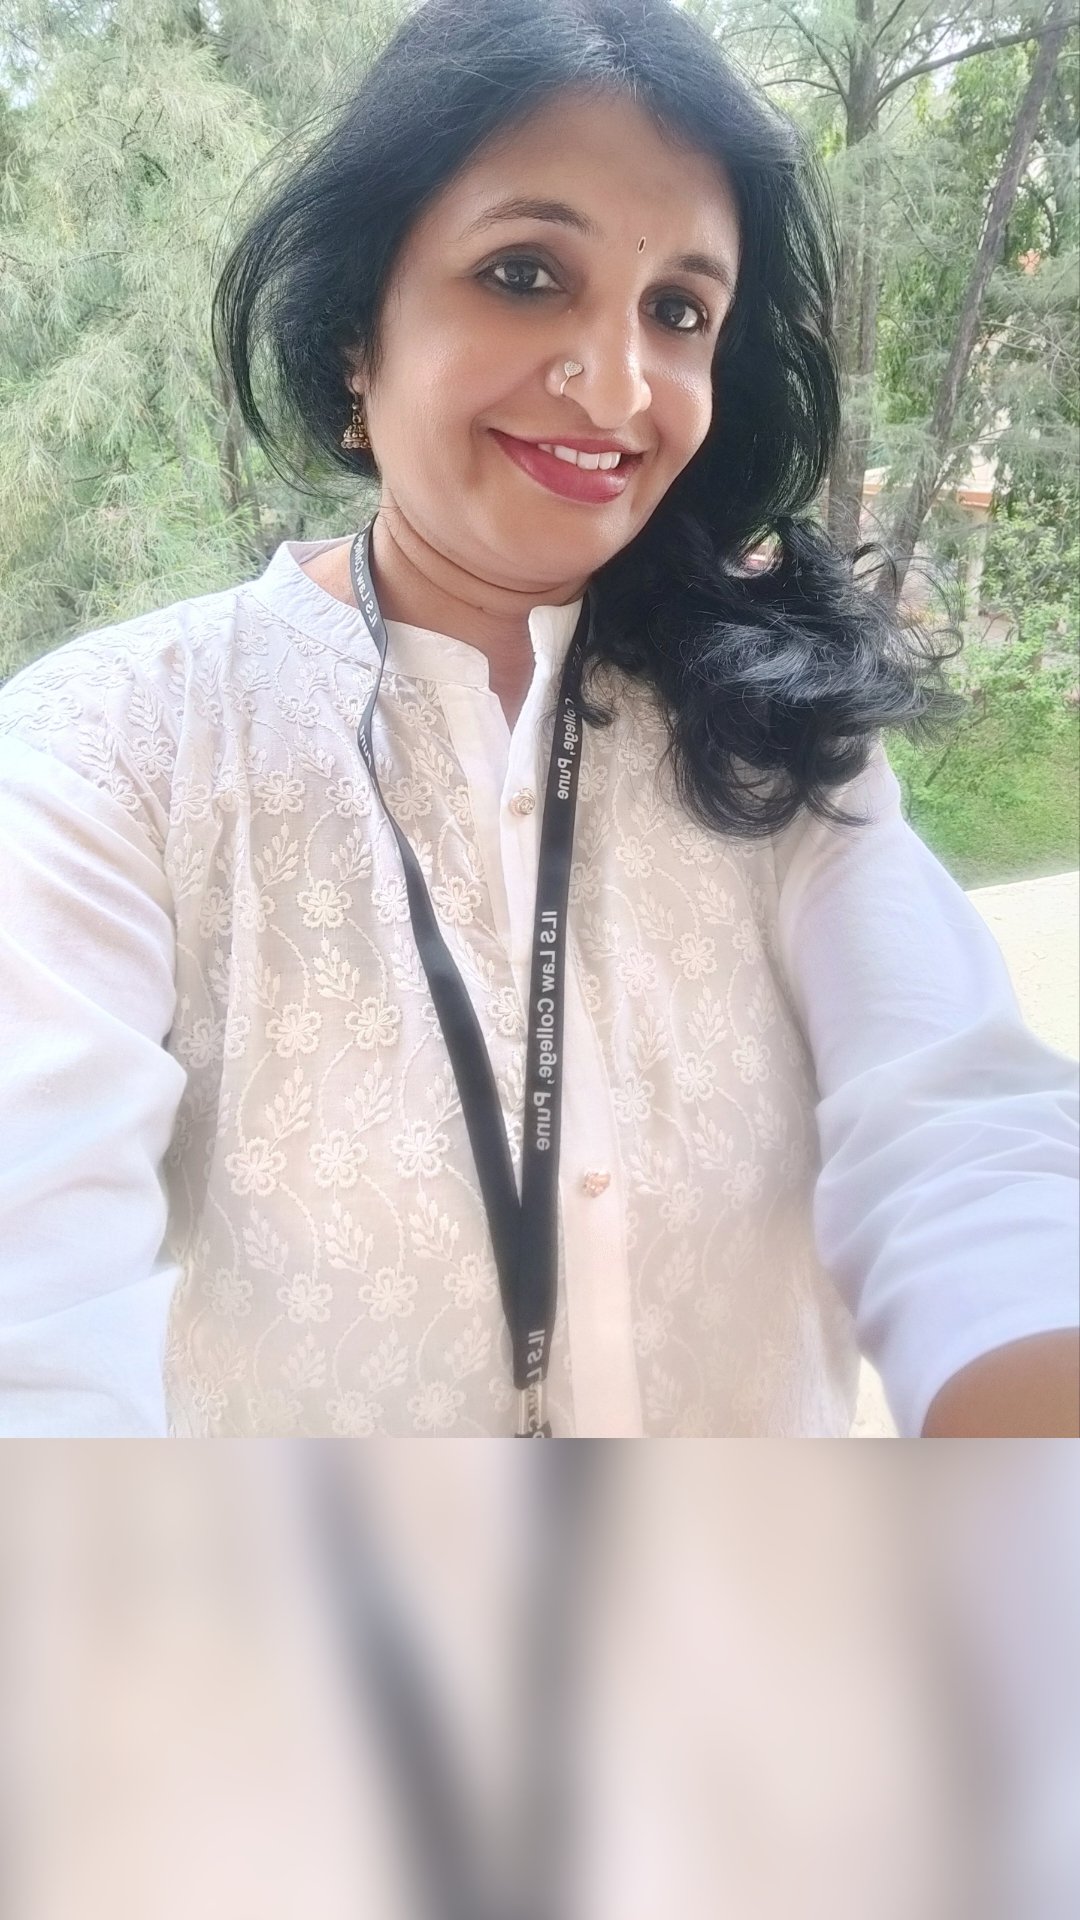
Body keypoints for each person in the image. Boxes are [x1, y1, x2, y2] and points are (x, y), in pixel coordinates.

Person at [0, 0, 1076, 1438]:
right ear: (355, 334)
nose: (618, 385)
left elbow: (956, 1123)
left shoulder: (771, 723)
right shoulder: (120, 746)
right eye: (523, 275)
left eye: (678, 311)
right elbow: (31, 1295)